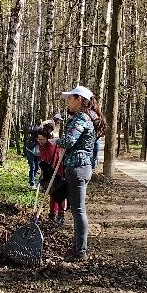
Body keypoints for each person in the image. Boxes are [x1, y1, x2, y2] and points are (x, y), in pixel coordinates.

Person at [55, 85, 106, 262]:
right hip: (77, 167)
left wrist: (54, 140)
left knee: (78, 210)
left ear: (79, 100)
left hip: (78, 168)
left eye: (70, 98)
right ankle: (77, 247)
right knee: (77, 210)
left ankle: (81, 250)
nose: (67, 102)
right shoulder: (81, 118)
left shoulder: (81, 118)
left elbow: (69, 141)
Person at [37, 123, 66, 225]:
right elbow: (42, 158)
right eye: (39, 139)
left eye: (42, 139)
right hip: (48, 171)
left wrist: (50, 168)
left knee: (59, 193)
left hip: (57, 171)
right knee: (51, 193)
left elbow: (55, 160)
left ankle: (61, 214)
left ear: (47, 139)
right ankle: (52, 214)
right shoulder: (41, 147)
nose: (40, 142)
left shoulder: (52, 147)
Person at [22, 121, 41, 190]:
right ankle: (31, 183)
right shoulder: (36, 131)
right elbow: (30, 131)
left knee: (37, 167)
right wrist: (39, 130)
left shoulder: (48, 135)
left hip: (38, 153)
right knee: (32, 166)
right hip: (30, 150)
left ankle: (35, 181)